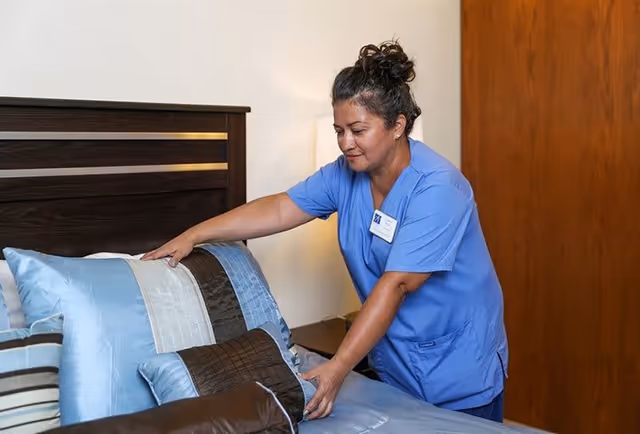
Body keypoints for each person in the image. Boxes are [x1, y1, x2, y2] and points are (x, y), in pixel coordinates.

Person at [142, 40, 508, 424]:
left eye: (358, 130)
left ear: (398, 125)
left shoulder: (438, 188)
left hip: (457, 365)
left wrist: (338, 369)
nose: (345, 143)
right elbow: (282, 207)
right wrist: (195, 234)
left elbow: (396, 284)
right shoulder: (346, 173)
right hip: (394, 364)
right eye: (339, 130)